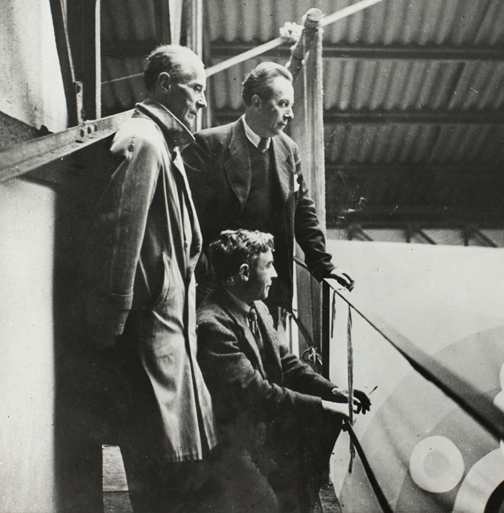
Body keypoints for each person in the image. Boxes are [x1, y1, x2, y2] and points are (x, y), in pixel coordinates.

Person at [86, 45, 217, 513]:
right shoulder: (143, 139)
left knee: (174, 469)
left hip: (168, 333)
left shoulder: (168, 147)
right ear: (164, 85)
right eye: (195, 88)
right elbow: (120, 232)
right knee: (155, 471)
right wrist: (111, 322)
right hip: (147, 334)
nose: (202, 100)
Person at [196, 229, 370, 513]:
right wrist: (325, 406)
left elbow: (287, 363)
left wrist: (333, 390)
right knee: (271, 506)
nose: (276, 274)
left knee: (297, 495)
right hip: (229, 447)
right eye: (268, 265)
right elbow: (257, 393)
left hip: (260, 433)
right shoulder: (212, 325)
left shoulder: (258, 308)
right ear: (243, 272)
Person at [184, 61, 355, 312]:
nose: (291, 114)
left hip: (270, 291)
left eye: (291, 105)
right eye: (283, 104)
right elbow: (187, 219)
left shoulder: (288, 149)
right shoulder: (209, 145)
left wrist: (324, 266)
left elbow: (303, 213)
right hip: (218, 290)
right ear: (256, 103)